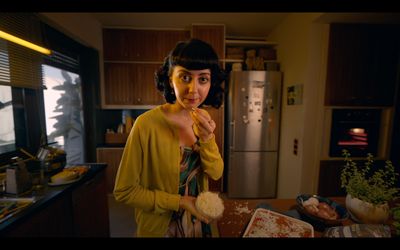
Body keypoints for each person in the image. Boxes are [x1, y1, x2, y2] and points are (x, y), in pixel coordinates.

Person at [114, 38, 226, 237]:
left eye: (203, 79)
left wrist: (208, 140)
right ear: (169, 78)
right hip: (160, 229)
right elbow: (124, 191)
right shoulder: (145, 124)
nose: (194, 90)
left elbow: (216, 173)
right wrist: (180, 202)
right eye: (185, 77)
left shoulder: (204, 118)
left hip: (199, 223)